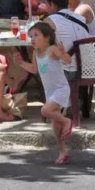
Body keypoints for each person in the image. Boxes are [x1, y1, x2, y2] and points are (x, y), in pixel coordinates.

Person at [29, 20, 74, 165]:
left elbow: (67, 61)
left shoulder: (52, 49)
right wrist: (20, 63)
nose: (33, 39)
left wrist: (63, 52)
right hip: (50, 92)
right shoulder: (35, 53)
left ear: (47, 37)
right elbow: (34, 70)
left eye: (36, 35)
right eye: (31, 36)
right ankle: (62, 152)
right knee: (55, 126)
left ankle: (67, 121)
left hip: (61, 89)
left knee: (45, 110)